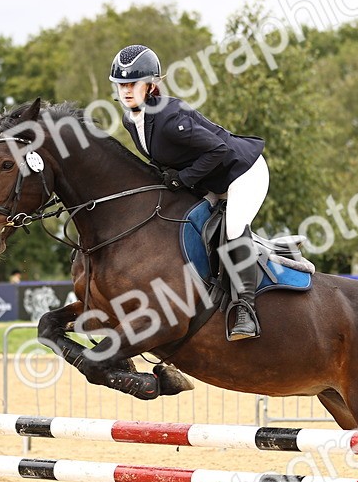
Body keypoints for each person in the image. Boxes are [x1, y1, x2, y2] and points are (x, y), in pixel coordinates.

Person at [109, 44, 268, 341]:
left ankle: (246, 309)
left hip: (243, 173)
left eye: (133, 84)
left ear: (150, 85)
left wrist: (183, 179)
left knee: (234, 228)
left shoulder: (169, 117)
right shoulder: (130, 120)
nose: (126, 91)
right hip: (210, 181)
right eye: (121, 85)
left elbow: (218, 150)